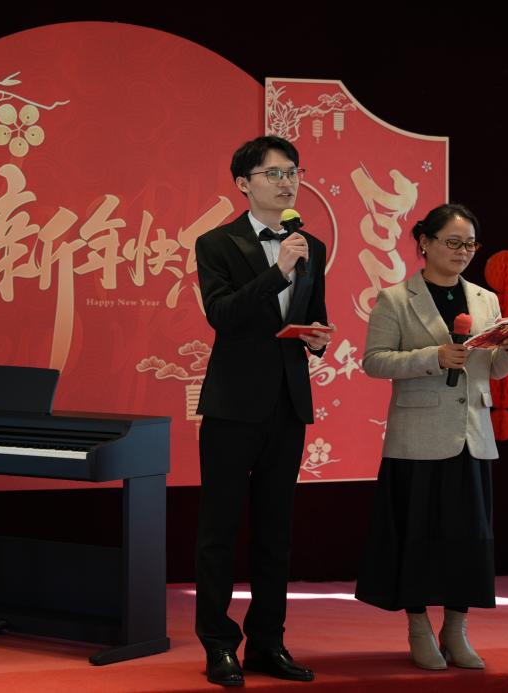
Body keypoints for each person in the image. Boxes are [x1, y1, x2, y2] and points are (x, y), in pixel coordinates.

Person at [354, 203, 508, 670]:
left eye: (470, 244)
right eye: (452, 242)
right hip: (417, 437)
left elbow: (493, 369)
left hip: (471, 435)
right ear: (424, 243)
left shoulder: (486, 300)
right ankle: (418, 628)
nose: (462, 252)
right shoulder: (395, 298)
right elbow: (374, 361)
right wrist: (433, 357)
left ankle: (456, 629)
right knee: (417, 536)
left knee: (468, 539)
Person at [193, 135, 334, 686]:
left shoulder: (310, 245)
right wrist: (277, 271)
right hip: (233, 405)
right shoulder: (216, 242)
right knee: (220, 530)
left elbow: (311, 314)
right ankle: (218, 644)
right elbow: (222, 315)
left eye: (293, 172)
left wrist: (316, 339)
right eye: (273, 173)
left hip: (287, 403)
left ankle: (267, 643)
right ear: (243, 184)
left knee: (276, 532)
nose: (286, 182)